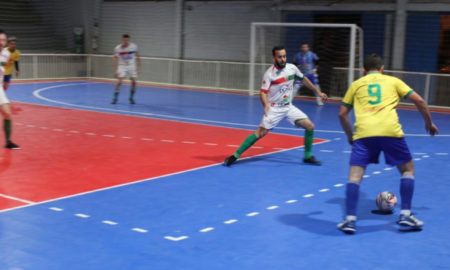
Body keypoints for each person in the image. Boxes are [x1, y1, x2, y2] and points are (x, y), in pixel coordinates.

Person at [337, 54, 439, 234]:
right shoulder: (393, 81)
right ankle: (406, 215)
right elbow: (420, 101)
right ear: (382, 68)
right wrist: (428, 123)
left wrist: (349, 136)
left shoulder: (356, 84)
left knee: (354, 176)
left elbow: (342, 114)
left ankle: (350, 220)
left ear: (364, 70)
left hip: (364, 133)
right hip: (390, 131)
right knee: (407, 170)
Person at [224, 46, 328, 167]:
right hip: (274, 108)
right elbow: (263, 92)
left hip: (288, 107)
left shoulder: (292, 68)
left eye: (284, 56)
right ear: (274, 58)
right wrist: (266, 104)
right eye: (280, 57)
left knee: (309, 126)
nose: (283, 59)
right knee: (260, 133)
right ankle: (235, 156)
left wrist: (318, 92)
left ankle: (307, 156)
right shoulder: (269, 74)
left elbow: (304, 79)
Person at [0, 30, 20, 149]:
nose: (1, 42)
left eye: (3, 40)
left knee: (7, 113)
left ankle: (8, 142)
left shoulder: (6, 54)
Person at [112, 34, 140, 104]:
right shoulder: (118, 48)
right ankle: (115, 98)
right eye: (124, 40)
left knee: (134, 82)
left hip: (131, 65)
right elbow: (114, 58)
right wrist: (115, 70)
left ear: (129, 40)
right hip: (122, 65)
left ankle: (131, 98)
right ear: (122, 40)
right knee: (119, 81)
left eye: (127, 40)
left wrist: (138, 66)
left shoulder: (134, 46)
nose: (125, 41)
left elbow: (138, 55)